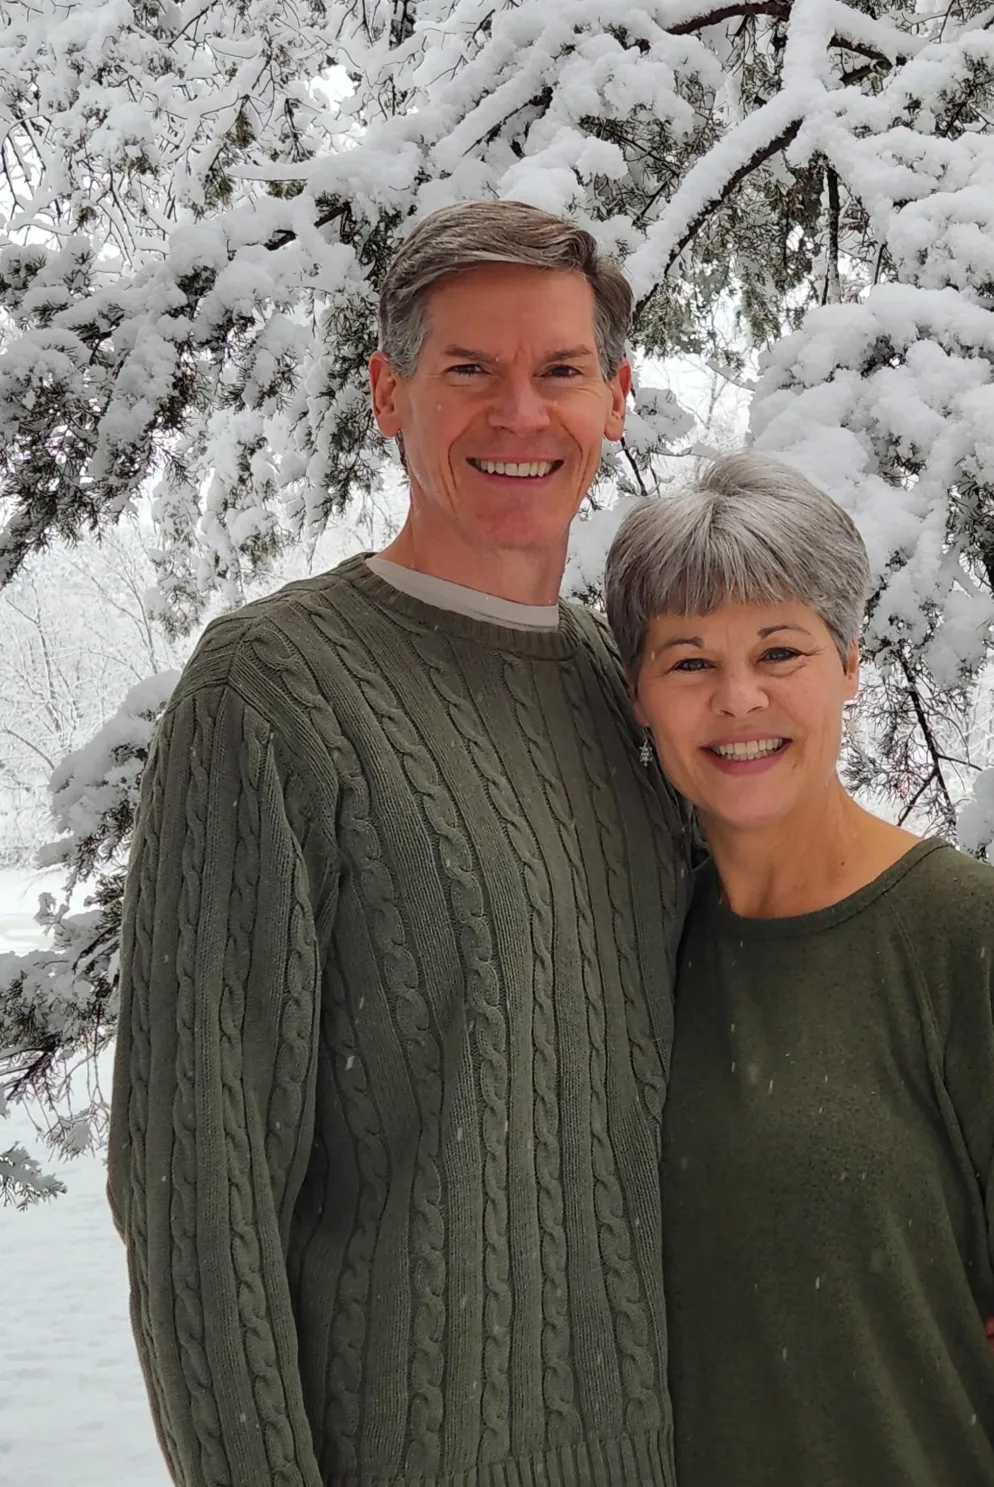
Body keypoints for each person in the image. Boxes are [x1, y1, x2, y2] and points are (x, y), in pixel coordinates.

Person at [106, 200, 693, 1486]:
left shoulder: (634, 694)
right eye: (467, 371)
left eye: (559, 371)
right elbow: (199, 1191)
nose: (519, 415)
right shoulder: (271, 692)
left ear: (617, 396)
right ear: (388, 394)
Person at [604, 452, 994, 1487]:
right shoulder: (630, 951)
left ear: (851, 659)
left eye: (780, 649)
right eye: (688, 661)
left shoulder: (974, 941)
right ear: (637, 689)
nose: (739, 697)